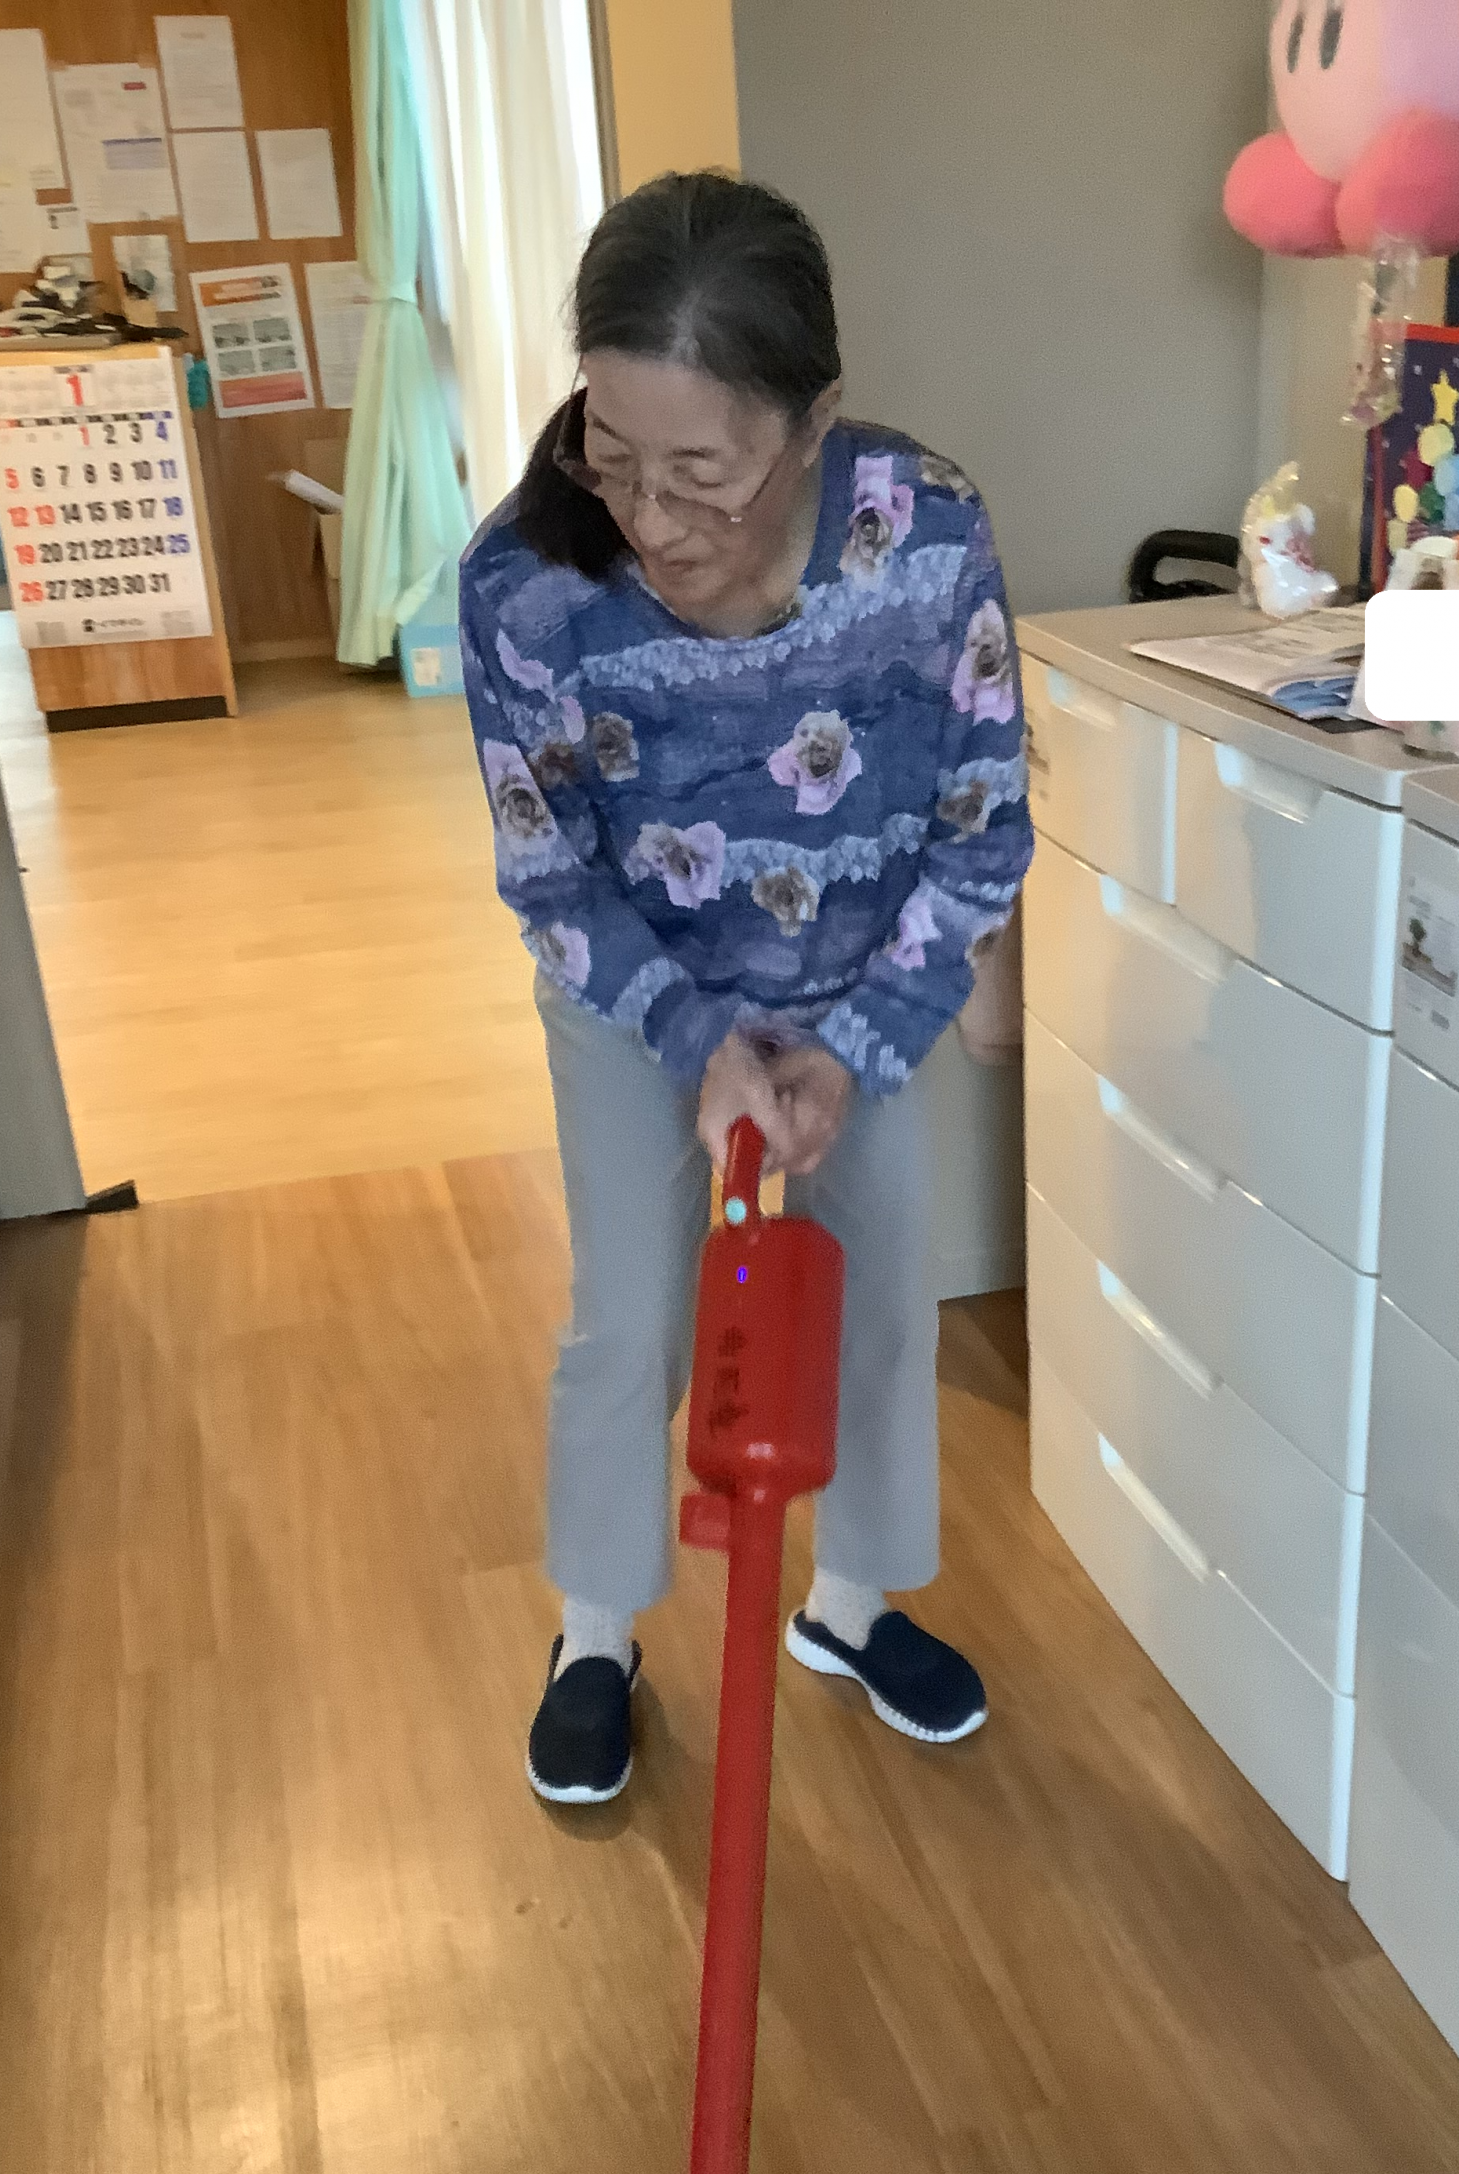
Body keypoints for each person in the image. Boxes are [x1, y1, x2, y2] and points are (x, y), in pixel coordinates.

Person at [460, 171, 1034, 1806]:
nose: (651, 518)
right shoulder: (526, 584)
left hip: (865, 993)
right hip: (631, 992)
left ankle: (849, 1610)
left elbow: (985, 821)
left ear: (814, 421)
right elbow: (548, 871)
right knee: (632, 1320)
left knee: (880, 1301)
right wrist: (699, 1038)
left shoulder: (926, 536)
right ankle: (595, 1635)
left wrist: (856, 1049)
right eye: (613, 453)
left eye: (700, 471)